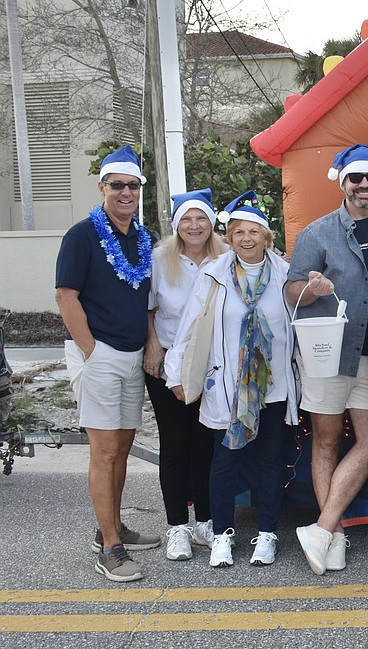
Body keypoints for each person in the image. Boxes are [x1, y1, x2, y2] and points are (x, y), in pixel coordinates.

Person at [285, 144, 368, 576]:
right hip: (330, 353)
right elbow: (291, 291)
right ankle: (335, 532)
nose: (364, 186)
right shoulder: (317, 234)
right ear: (342, 182)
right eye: (356, 179)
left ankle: (320, 529)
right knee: (325, 439)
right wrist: (312, 287)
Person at [165, 191, 298, 569]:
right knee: (224, 460)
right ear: (230, 236)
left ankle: (267, 534)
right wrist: (176, 373)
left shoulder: (285, 274)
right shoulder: (215, 274)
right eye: (238, 232)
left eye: (254, 231)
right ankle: (222, 534)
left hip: (272, 386)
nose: (246, 239)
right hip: (228, 387)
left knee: (272, 460)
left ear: (267, 237)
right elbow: (190, 327)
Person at [55, 145, 160, 582]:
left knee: (122, 448)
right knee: (104, 451)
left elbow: (149, 301)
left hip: (133, 355)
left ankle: (110, 530)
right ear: (102, 187)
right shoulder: (82, 235)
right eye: (117, 185)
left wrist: (151, 344)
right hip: (99, 355)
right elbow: (66, 296)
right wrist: (91, 351)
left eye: (132, 186)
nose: (125, 192)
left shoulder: (142, 237)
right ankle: (110, 549)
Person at [144, 189, 228, 561]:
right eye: (187, 219)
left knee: (206, 444)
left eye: (201, 218)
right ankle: (177, 525)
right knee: (175, 443)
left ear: (211, 222)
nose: (194, 226)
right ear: (177, 225)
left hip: (213, 366)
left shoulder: (227, 257)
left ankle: (205, 522)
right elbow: (148, 309)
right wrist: (152, 347)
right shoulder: (160, 260)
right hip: (168, 367)